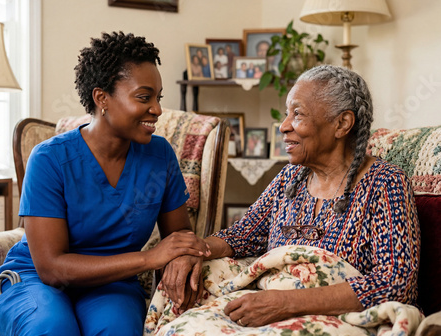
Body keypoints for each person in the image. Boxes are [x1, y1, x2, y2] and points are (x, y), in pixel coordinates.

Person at [159, 64, 420, 327]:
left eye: (298, 114)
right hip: (272, 306)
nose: (283, 126)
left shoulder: (385, 183)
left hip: (338, 319)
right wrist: (194, 251)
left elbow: (395, 284)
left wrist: (285, 303)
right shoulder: (290, 178)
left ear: (342, 124)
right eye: (286, 113)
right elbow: (241, 236)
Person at [0, 31, 210, 336]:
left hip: (112, 285)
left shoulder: (160, 155)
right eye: (144, 97)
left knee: (117, 329)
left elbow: (180, 235)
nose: (157, 109)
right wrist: (148, 258)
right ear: (101, 98)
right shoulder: (49, 159)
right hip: (35, 279)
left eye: (158, 97)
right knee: (52, 328)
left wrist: (184, 257)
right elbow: (51, 268)